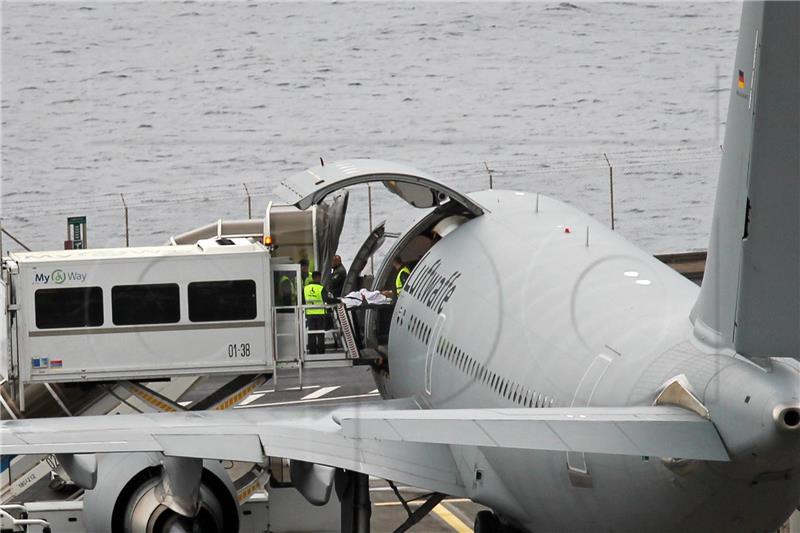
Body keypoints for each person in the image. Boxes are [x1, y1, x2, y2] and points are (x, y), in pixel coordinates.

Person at [303, 271, 326, 354]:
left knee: (311, 333)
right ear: (318, 278)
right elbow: (326, 300)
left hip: (309, 314)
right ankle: (321, 351)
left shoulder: (306, 288)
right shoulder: (321, 288)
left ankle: (312, 351)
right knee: (320, 333)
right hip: (320, 313)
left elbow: (303, 300)